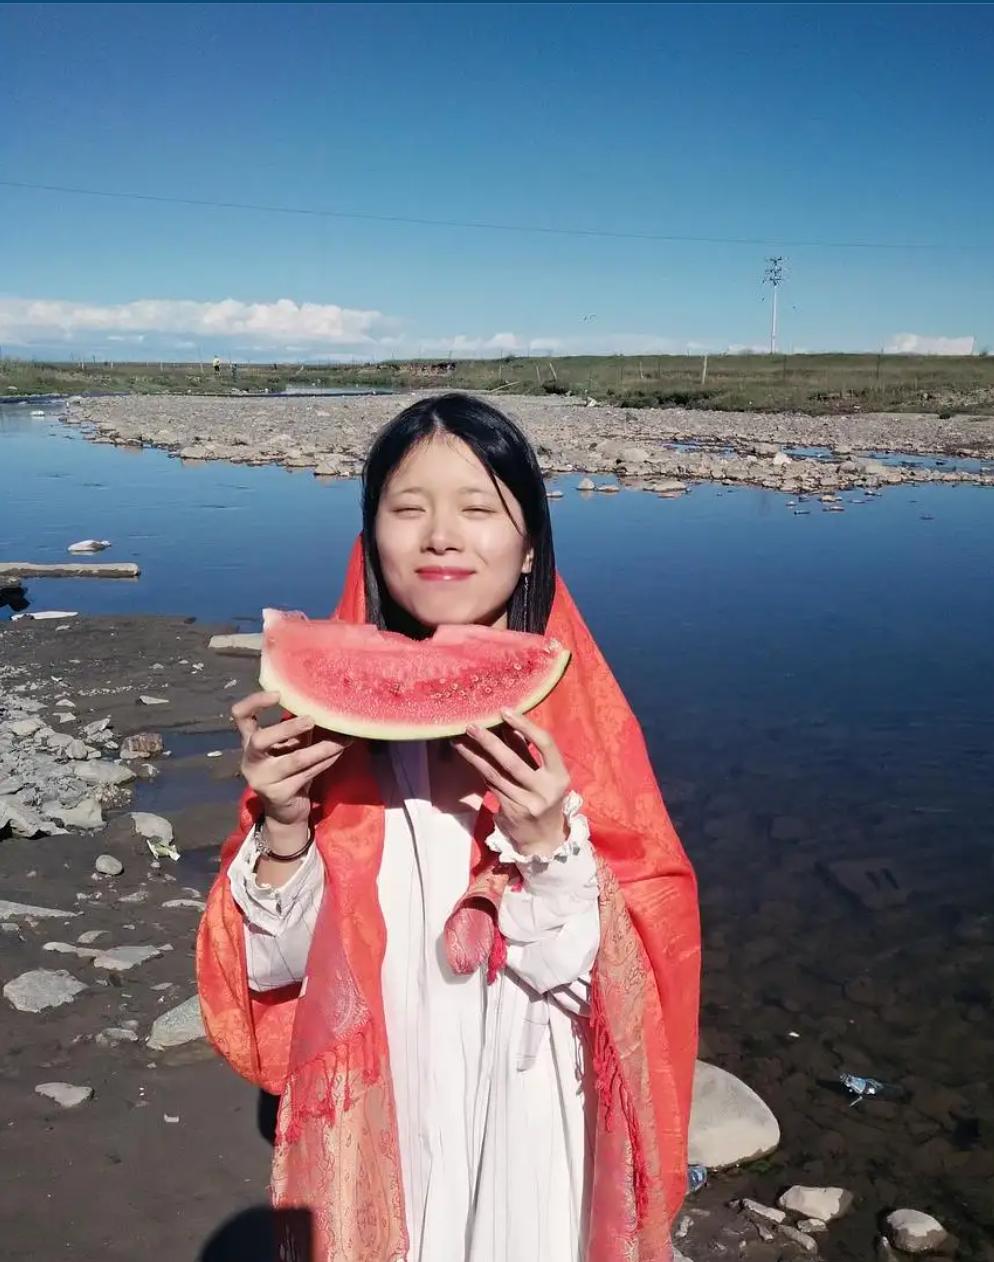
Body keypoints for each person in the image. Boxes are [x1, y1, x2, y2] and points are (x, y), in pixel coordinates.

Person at [197, 393, 700, 1262]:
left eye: (478, 508)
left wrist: (549, 850)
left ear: (531, 541)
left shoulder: (591, 740)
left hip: (532, 1106)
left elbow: (632, 981)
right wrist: (284, 827)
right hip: (389, 1099)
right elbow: (276, 974)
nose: (441, 535)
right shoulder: (316, 743)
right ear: (371, 537)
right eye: (408, 508)